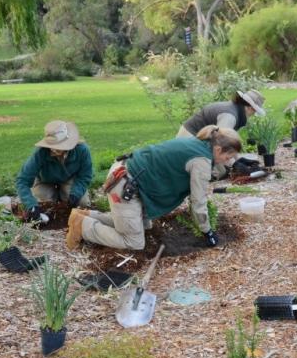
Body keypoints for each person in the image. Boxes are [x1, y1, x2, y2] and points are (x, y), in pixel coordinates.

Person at [66, 126, 242, 251]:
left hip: (127, 174)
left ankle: (84, 215)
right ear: (218, 149)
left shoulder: (197, 144)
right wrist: (207, 231)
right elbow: (198, 201)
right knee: (134, 242)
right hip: (125, 185)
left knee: (143, 225)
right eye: (229, 156)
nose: (229, 161)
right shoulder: (201, 161)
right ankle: (84, 226)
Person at [15, 120, 93, 221]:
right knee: (42, 202)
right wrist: (31, 206)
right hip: (45, 180)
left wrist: (76, 193)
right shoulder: (40, 153)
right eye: (53, 147)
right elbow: (22, 180)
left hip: (69, 179)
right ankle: (54, 197)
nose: (55, 150)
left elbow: (85, 175)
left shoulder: (82, 150)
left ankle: (63, 195)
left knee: (81, 202)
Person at [177, 90, 266, 138]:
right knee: (219, 171)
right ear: (250, 108)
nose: (253, 115)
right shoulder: (230, 116)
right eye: (254, 112)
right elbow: (221, 143)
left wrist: (237, 159)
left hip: (195, 137)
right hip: (189, 138)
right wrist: (234, 163)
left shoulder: (233, 108)